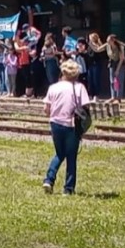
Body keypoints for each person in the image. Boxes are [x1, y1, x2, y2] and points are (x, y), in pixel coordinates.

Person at [42, 60, 90, 195]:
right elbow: (86, 106)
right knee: (71, 156)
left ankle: (49, 179)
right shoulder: (79, 87)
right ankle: (68, 189)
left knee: (59, 153)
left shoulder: (53, 87)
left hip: (55, 123)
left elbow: (46, 109)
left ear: (62, 72)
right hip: (71, 124)